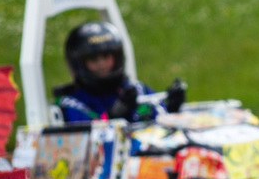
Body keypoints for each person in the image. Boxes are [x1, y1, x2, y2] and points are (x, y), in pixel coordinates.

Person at [55, 21, 185, 123]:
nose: (101, 63)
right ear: (79, 63)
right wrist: (113, 116)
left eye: (106, 56)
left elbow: (161, 120)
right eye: (93, 59)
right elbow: (85, 140)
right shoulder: (72, 103)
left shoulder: (136, 89)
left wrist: (173, 107)